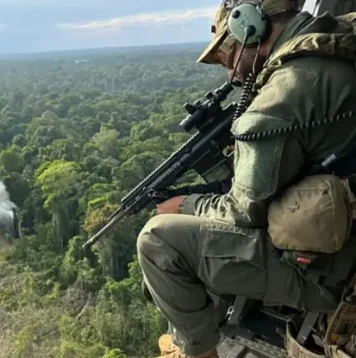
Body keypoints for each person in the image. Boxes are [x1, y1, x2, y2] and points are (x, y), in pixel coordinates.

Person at [136, 0, 356, 357]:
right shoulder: (338, 46)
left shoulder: (287, 91)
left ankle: (196, 351)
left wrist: (184, 204)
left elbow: (243, 212)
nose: (231, 72)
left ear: (249, 26)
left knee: (160, 241)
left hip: (336, 274)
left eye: (227, 53)